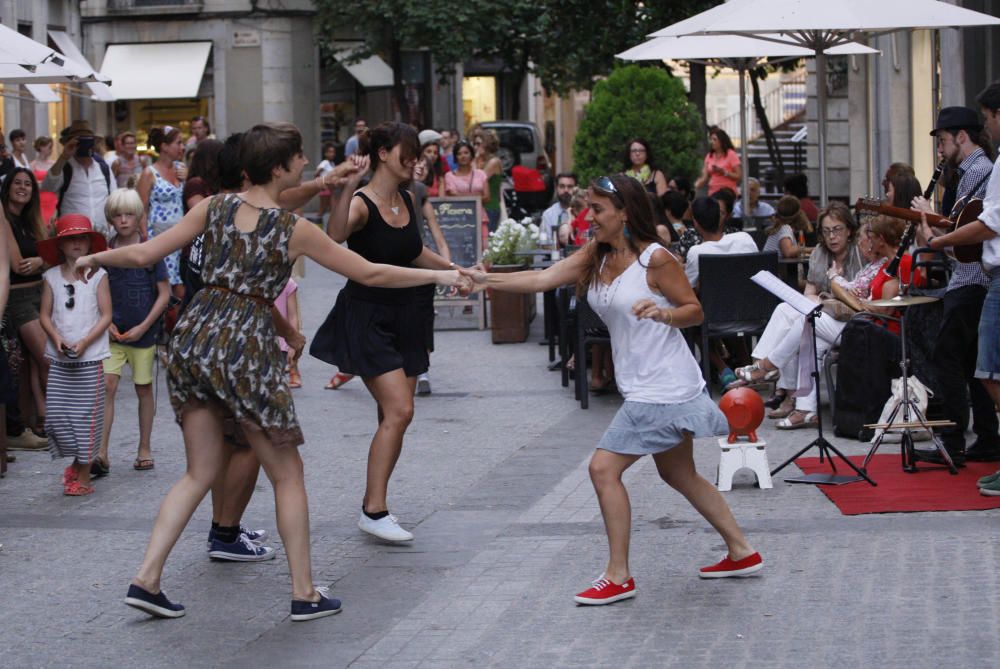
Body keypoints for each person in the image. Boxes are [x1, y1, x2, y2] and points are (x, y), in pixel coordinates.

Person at [73, 121, 464, 620]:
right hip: (246, 348)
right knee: (287, 475)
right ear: (278, 168)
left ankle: (146, 579)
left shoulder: (210, 208)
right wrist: (443, 273)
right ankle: (304, 593)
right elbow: (368, 272)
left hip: (194, 341)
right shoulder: (293, 228)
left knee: (198, 471)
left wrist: (96, 257)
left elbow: (146, 253)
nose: (304, 164)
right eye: (298, 158)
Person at [460, 174, 762, 604]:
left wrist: (662, 314)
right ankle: (742, 551)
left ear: (624, 213)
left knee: (603, 469)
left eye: (598, 210)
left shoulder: (655, 259)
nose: (590, 217)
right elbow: (542, 278)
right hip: (648, 384)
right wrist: (483, 280)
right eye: (589, 208)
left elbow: (695, 311)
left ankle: (618, 575)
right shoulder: (595, 256)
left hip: (662, 386)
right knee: (678, 473)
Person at [312, 121, 459, 543]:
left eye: (417, 154)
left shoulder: (409, 198)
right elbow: (336, 235)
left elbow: (414, 251)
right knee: (401, 411)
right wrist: (348, 185)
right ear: (382, 154)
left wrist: (456, 271)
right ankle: (372, 510)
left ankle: (378, 503)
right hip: (368, 315)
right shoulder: (362, 202)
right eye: (406, 153)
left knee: (392, 415)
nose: (414, 161)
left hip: (409, 313)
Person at [746, 215, 910, 429]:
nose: (866, 241)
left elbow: (884, 307)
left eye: (869, 236)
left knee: (808, 318)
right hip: (863, 323)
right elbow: (865, 298)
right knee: (810, 337)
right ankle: (805, 408)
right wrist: (849, 297)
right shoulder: (885, 264)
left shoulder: (898, 263)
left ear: (880, 239)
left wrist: (841, 289)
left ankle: (769, 365)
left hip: (874, 329)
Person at [921, 82, 1000, 494]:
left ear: (962, 137)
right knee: (977, 366)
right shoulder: (974, 171)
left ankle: (956, 440)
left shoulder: (981, 170)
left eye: (943, 141)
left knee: (954, 359)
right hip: (975, 277)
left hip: (976, 279)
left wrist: (932, 230)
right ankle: (987, 439)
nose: (939, 150)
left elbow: (972, 225)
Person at [735, 202, 865, 419]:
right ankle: (766, 367)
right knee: (786, 309)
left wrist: (824, 295)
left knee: (800, 321)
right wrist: (815, 298)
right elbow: (808, 293)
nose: (832, 236)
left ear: (849, 230)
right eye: (826, 231)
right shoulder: (819, 254)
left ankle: (767, 370)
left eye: (837, 230)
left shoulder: (859, 254)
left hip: (845, 319)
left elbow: (856, 298)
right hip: (822, 313)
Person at [36, 214, 111, 496]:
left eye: (82, 238)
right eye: (70, 239)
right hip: (59, 357)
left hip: (89, 357)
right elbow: (44, 314)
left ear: (90, 243)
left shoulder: (99, 276)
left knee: (87, 417)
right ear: (61, 245)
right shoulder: (51, 276)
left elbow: (106, 315)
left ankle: (83, 473)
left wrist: (84, 341)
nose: (77, 243)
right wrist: (56, 339)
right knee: (55, 415)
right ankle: (76, 464)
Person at [98, 190, 170, 476]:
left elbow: (163, 294)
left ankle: (144, 446)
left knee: (143, 387)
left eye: (129, 214)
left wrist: (145, 325)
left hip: (144, 332)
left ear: (139, 216)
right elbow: (97, 289)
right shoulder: (106, 251)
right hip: (112, 332)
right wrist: (106, 323)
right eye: (117, 215)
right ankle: (101, 451)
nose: (124, 220)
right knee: (107, 386)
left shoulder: (150, 250)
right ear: (110, 219)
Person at [2, 168, 52, 449]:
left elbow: (49, 256)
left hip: (41, 292)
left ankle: (37, 421)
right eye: (17, 183)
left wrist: (40, 262)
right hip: (18, 299)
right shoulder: (4, 219)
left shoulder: (32, 220)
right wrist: (38, 260)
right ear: (7, 187)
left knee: (31, 364)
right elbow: (17, 264)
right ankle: (40, 422)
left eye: (28, 184)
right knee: (46, 357)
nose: (22, 188)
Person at [41, 121, 116, 238]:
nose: (83, 146)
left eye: (87, 141)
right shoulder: (64, 167)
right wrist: (64, 156)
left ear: (93, 143)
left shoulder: (103, 167)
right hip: (72, 237)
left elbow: (114, 199)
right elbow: (48, 186)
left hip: (102, 236)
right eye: (79, 142)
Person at [137, 126, 187, 299]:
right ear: (164, 146)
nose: (183, 147)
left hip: (181, 238)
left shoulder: (181, 168)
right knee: (167, 287)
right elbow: (140, 209)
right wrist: (144, 239)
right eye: (178, 143)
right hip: (159, 239)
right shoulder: (149, 173)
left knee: (182, 284)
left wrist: (188, 177)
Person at [683, 196, 758, 289]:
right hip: (752, 299)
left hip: (714, 302)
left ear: (695, 222)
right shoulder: (744, 238)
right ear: (719, 217)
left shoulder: (696, 252)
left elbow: (689, 289)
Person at [444, 139, 490, 238]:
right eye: (459, 154)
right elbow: (452, 196)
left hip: (480, 217)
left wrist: (462, 196)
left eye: (466, 153)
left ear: (471, 155)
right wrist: (477, 196)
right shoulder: (449, 176)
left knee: (483, 248)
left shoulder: (481, 174)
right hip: (458, 219)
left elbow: (487, 197)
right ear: (455, 157)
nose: (463, 156)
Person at [695, 127, 741, 196]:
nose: (712, 142)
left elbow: (739, 175)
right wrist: (697, 185)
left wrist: (724, 172)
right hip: (713, 192)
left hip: (727, 193)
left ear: (721, 141)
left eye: (714, 140)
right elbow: (704, 176)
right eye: (711, 139)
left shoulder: (731, 154)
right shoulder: (709, 156)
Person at [473, 129, 504, 232]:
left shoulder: (494, 162)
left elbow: (476, 181)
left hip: (490, 207)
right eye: (474, 144)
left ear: (486, 145)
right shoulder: (483, 162)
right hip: (481, 206)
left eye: (478, 144)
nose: (475, 147)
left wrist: (475, 158)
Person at [541, 173, 578, 244]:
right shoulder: (549, 214)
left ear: (576, 189)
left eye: (570, 187)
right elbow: (546, 243)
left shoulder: (584, 212)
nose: (566, 190)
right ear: (556, 188)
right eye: (562, 186)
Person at [316, 142, 337, 221]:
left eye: (333, 152)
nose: (332, 154)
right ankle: (316, 224)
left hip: (331, 189)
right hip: (325, 189)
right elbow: (317, 173)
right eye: (330, 152)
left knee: (333, 208)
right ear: (326, 153)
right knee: (322, 209)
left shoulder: (332, 164)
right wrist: (322, 182)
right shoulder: (324, 163)